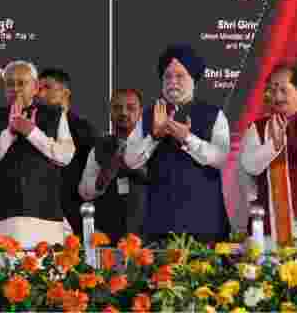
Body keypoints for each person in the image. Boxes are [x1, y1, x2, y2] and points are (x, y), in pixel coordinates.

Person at [124, 44, 230, 245]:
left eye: (180, 76)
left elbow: (220, 158)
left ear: (193, 80)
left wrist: (187, 138)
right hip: (160, 223)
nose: (173, 82)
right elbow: (130, 161)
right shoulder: (149, 115)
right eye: (167, 76)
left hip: (205, 222)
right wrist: (154, 136)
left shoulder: (214, 114)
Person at [0, 60, 74, 248]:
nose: (15, 89)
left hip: (45, 218)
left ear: (35, 87)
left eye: (21, 83)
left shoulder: (55, 114)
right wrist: (8, 134)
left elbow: (66, 156)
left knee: (45, 274)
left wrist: (32, 133)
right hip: (1, 219)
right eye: (10, 84)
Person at [79, 89, 148, 243]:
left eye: (130, 108)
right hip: (107, 236)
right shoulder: (100, 146)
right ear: (110, 112)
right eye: (117, 108)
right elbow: (84, 192)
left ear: (140, 112)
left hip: (147, 237)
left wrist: (134, 168)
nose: (123, 112)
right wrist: (103, 178)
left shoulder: (152, 144)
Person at [240, 63, 297, 246]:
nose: (277, 96)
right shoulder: (258, 127)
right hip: (268, 230)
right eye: (273, 90)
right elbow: (249, 166)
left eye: (283, 89)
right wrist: (275, 145)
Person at [39, 68, 101, 236]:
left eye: (47, 88)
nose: (40, 94)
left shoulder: (84, 129)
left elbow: (95, 174)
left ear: (65, 93)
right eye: (38, 89)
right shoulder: (34, 129)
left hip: (76, 214)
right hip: (40, 214)